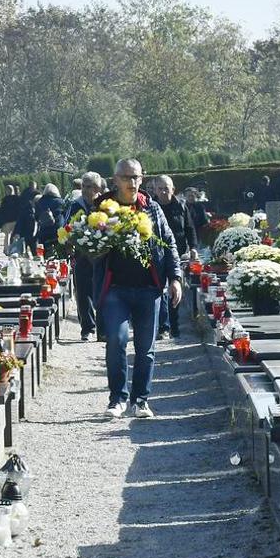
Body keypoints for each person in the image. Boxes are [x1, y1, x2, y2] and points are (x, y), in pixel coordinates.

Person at [92, 158, 181, 419]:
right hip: (115, 288)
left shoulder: (152, 207)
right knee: (116, 341)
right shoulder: (103, 208)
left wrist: (175, 277)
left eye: (136, 177)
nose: (132, 182)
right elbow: (89, 251)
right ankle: (117, 399)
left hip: (148, 288)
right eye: (127, 177)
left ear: (142, 179)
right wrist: (100, 244)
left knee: (146, 348)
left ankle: (140, 400)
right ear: (115, 180)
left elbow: (169, 243)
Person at [151, 175, 197, 339]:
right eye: (160, 189)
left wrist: (193, 247)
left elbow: (189, 228)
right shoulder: (151, 207)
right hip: (157, 255)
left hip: (178, 254)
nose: (164, 192)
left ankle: (174, 326)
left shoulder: (181, 206)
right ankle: (164, 326)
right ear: (155, 190)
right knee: (161, 291)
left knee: (175, 289)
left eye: (166, 188)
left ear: (173, 189)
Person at [64, 173, 106, 340]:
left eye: (88, 186)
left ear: (97, 188)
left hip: (102, 256)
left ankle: (103, 329)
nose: (84, 189)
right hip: (81, 255)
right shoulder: (75, 205)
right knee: (82, 292)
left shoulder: (105, 204)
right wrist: (68, 244)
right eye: (83, 186)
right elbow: (66, 227)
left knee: (103, 292)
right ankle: (87, 328)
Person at [35, 183, 65, 252]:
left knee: (41, 247)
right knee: (61, 250)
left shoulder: (40, 202)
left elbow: (36, 217)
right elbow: (65, 214)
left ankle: (41, 256)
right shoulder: (60, 202)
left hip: (44, 231)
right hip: (58, 230)